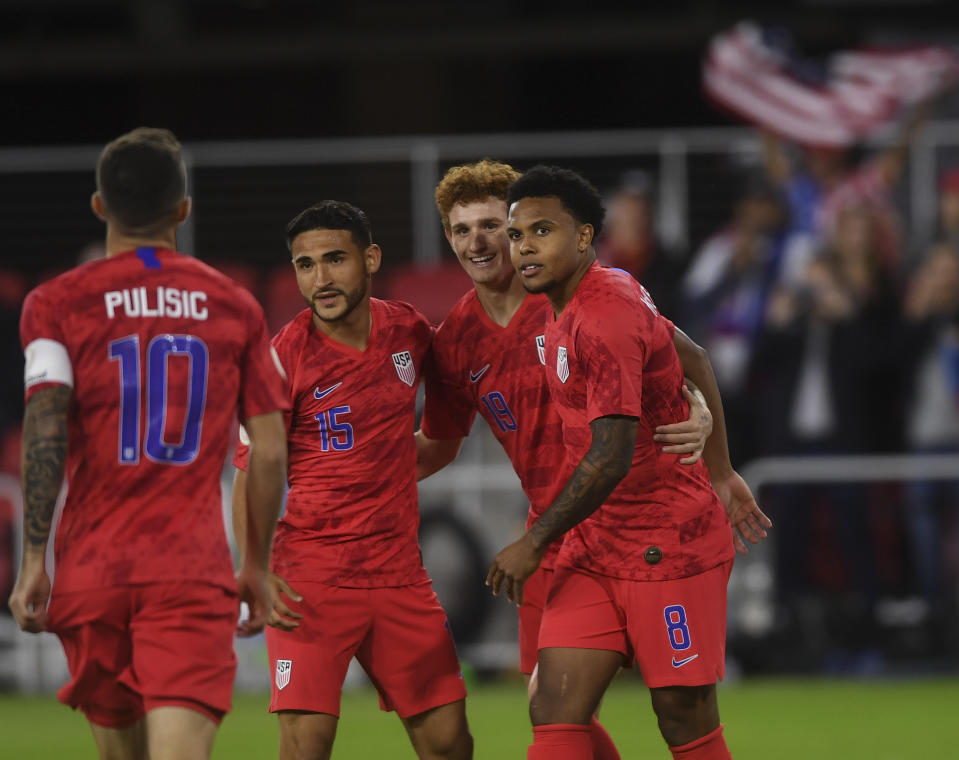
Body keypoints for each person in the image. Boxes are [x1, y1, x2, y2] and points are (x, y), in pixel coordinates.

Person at [419, 160, 766, 759]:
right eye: (460, 229)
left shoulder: (586, 296)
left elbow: (673, 369)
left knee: (677, 709)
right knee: (554, 707)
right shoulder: (459, 340)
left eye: (497, 225)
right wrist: (347, 470)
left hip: (645, 525)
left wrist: (713, 456)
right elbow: (441, 444)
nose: (483, 240)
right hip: (565, 536)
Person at [7, 127, 288, 760]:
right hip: (189, 570)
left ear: (100, 206)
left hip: (92, 570)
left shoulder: (55, 304)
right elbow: (269, 450)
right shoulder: (234, 306)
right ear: (183, 210)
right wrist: (257, 565)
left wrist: (33, 560)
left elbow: (45, 422)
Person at [231, 200, 472, 760]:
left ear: (370, 258)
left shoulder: (407, 329)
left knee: (449, 741)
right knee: (306, 745)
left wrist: (388, 472)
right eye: (305, 265)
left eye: (335, 260)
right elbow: (251, 469)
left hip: (399, 576)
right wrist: (255, 566)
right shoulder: (282, 358)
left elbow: (449, 420)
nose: (320, 278)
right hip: (310, 580)